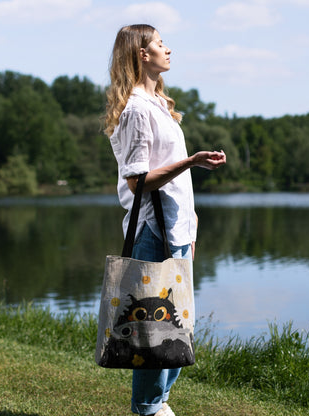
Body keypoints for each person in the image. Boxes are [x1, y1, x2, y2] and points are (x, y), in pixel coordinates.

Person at [104, 24, 226, 416]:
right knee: (154, 333)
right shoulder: (138, 109)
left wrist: (189, 227)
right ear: (142, 53)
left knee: (176, 330)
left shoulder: (158, 105)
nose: (168, 49)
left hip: (174, 231)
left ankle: (157, 404)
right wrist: (190, 161)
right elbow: (138, 181)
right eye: (160, 44)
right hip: (153, 233)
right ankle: (148, 406)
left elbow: (173, 184)